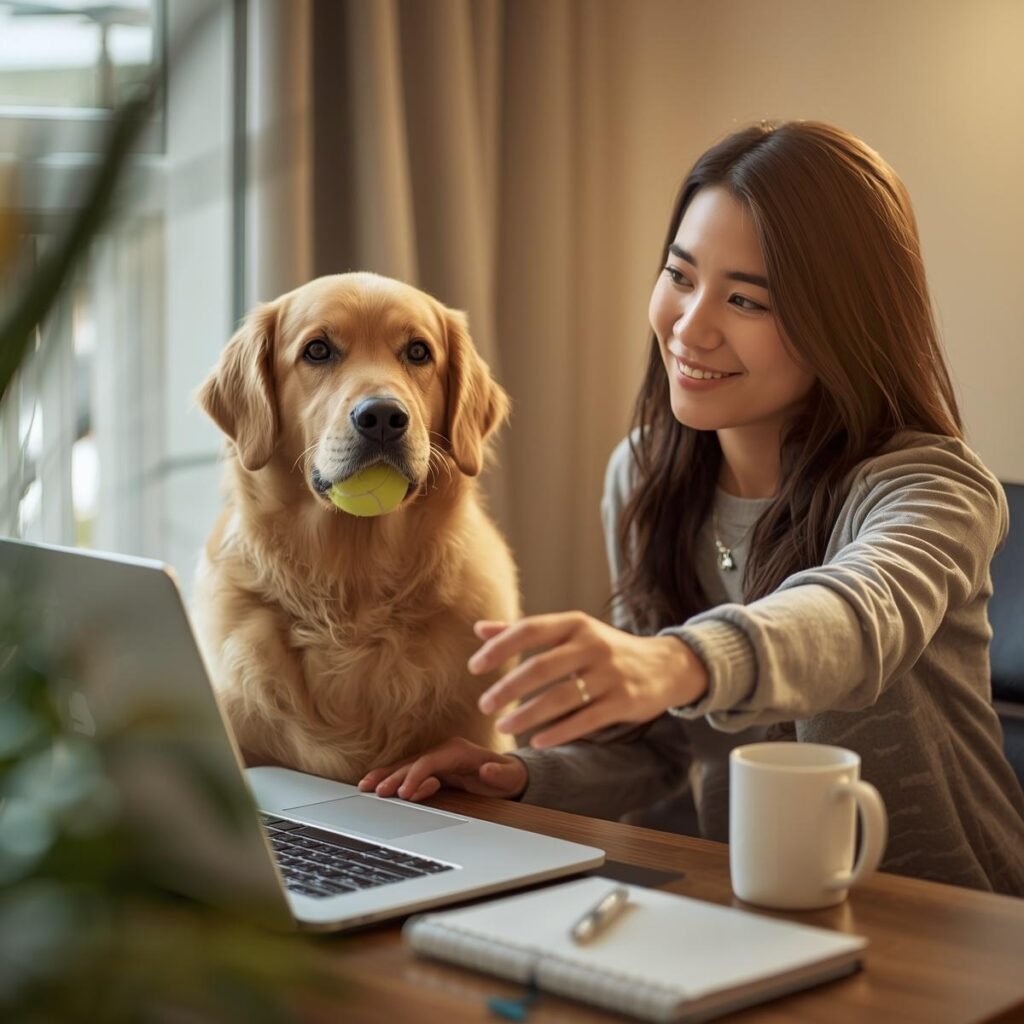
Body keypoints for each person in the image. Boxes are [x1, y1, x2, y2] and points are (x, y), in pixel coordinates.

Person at [359, 120, 1024, 896]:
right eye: (680, 276)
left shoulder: (932, 487)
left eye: (747, 299)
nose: (690, 326)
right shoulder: (643, 475)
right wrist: (517, 774)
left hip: (962, 931)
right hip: (764, 910)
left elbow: (855, 620)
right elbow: (666, 750)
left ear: (844, 322)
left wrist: (674, 660)